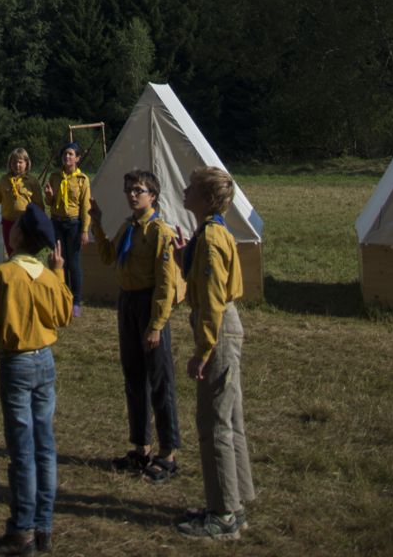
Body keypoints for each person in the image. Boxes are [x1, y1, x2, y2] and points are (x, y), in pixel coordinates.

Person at [0, 202, 73, 555]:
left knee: (22, 451)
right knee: (45, 446)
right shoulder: (48, 276)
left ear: (16, 235)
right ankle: (43, 527)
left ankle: (22, 532)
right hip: (45, 360)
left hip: (16, 363)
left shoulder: (2, 275)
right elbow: (64, 315)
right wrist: (58, 273)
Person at [172, 167, 255, 541]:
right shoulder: (212, 233)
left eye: (192, 187)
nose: (184, 190)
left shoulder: (209, 238)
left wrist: (203, 351)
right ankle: (235, 503)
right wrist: (183, 261)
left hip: (217, 331)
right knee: (230, 419)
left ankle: (223, 515)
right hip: (224, 325)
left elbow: (211, 301)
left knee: (213, 423)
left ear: (207, 199)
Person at [89, 168, 181, 482]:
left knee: (159, 380)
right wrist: (97, 223)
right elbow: (108, 257)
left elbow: (166, 285)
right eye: (128, 189)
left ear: (152, 196)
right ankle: (142, 447)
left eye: (138, 190)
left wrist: (156, 325)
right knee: (134, 376)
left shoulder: (159, 232)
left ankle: (167, 453)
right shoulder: (127, 227)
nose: (131, 195)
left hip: (148, 305)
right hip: (127, 303)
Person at [43, 141, 90, 318]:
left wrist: (84, 230)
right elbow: (50, 202)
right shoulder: (54, 176)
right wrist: (49, 197)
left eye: (71, 154)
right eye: (65, 154)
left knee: (74, 264)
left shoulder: (82, 180)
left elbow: (85, 207)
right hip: (57, 223)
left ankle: (75, 302)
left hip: (73, 224)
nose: (67, 157)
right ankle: (62, 297)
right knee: (60, 262)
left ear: (77, 159)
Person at [0, 148, 44, 257]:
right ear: (10, 163)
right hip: (8, 223)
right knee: (11, 253)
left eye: (20, 162)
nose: (17, 165)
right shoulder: (4, 180)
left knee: (26, 253)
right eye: (14, 162)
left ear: (26, 164)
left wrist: (38, 224)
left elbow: (39, 205)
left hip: (25, 224)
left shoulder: (32, 181)